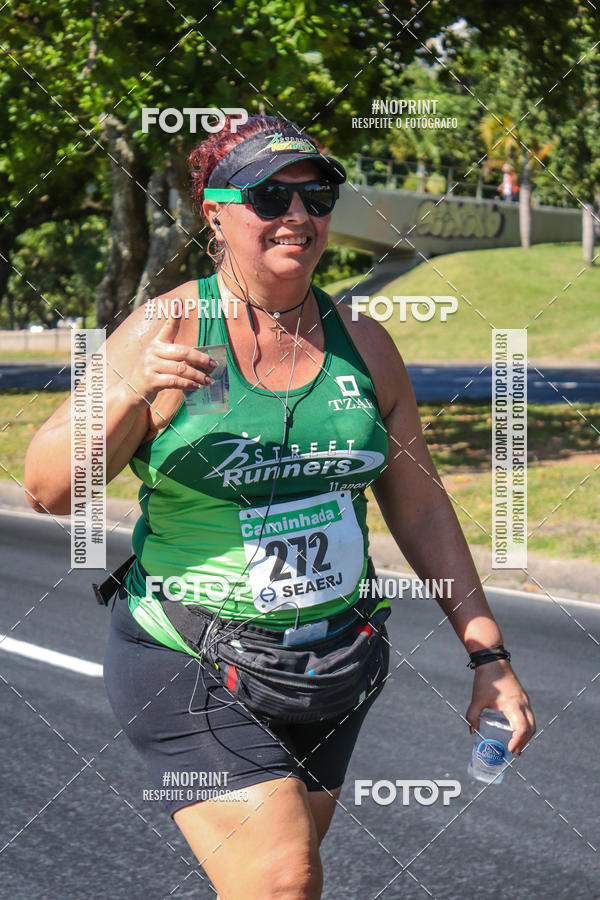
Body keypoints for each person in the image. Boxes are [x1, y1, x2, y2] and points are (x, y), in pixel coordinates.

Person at [24, 114, 535, 900]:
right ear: (215, 213)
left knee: (276, 878)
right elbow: (49, 491)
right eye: (270, 195)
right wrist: (130, 389)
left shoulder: (363, 343)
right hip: (189, 654)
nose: (298, 215)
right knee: (283, 879)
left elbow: (423, 509)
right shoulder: (167, 327)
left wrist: (487, 657)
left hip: (335, 663)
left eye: (317, 194)